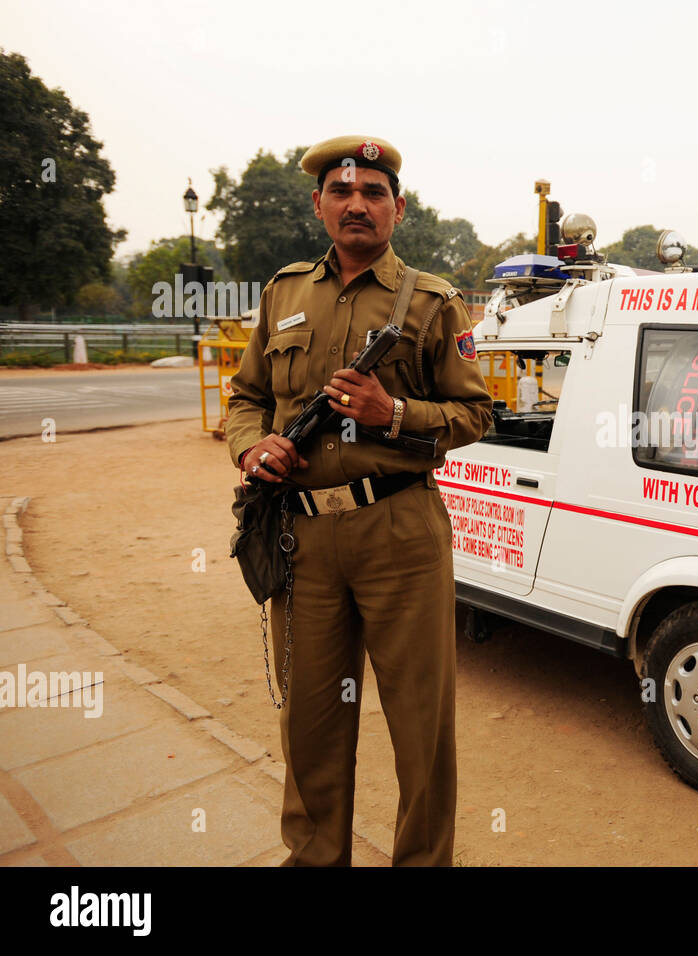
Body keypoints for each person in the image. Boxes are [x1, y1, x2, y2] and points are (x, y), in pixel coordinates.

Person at [225, 135, 493, 865]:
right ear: (319, 205)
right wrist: (253, 446)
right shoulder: (283, 293)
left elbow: (477, 415)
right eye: (341, 192)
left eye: (374, 193)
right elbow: (246, 397)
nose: (357, 204)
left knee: (420, 725)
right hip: (303, 540)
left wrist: (394, 415)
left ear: (397, 210)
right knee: (311, 721)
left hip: (399, 531)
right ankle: (315, 858)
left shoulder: (435, 302)